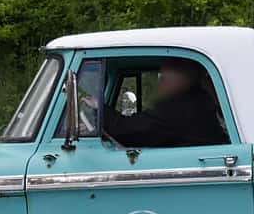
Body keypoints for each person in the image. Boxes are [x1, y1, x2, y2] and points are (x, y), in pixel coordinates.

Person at [96, 58, 228, 148]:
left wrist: (99, 108)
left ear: (182, 79)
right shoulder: (201, 103)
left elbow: (130, 130)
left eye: (164, 79)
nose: (160, 84)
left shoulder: (180, 109)